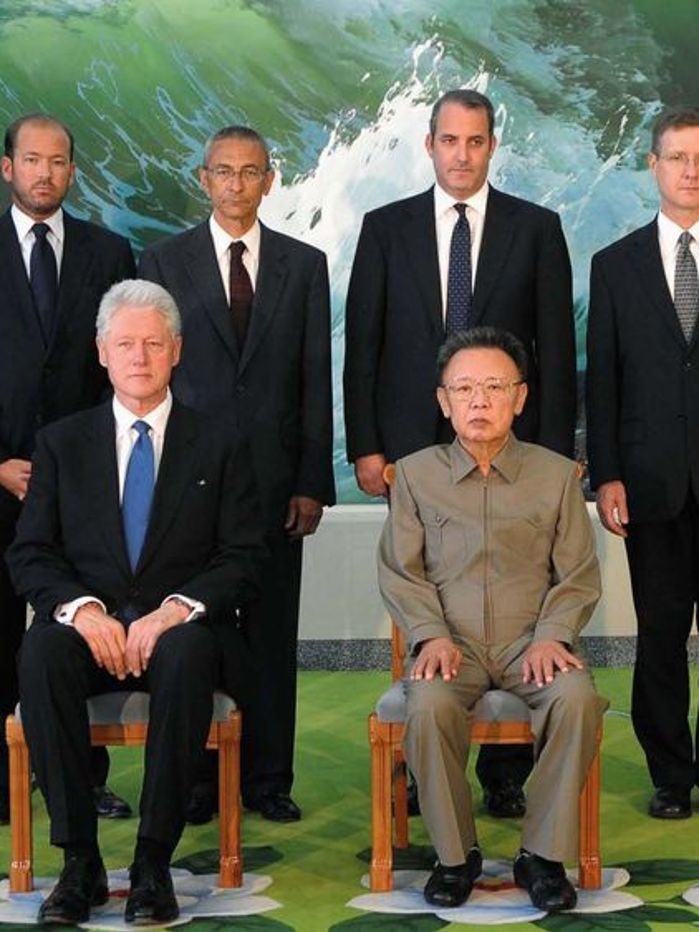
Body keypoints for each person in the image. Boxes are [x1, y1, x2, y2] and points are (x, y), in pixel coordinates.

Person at [344, 88, 577, 817]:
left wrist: (556, 457)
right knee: (425, 593)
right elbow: (364, 345)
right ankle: (424, 764)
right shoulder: (385, 228)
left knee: (514, 590)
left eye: (475, 142)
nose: (461, 154)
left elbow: (554, 349)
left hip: (510, 448)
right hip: (410, 449)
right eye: (449, 140)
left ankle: (505, 774)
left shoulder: (535, 228)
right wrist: (367, 446)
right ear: (429, 145)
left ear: (491, 147)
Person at [7, 279, 265, 925]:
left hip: (176, 633)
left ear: (176, 350)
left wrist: (175, 608)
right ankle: (79, 861)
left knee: (186, 655)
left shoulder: (220, 440)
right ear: (101, 351)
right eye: (126, 343)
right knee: (41, 651)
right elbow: (30, 552)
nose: (140, 357)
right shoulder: (64, 443)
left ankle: (153, 861)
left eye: (154, 343)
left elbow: (244, 555)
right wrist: (82, 610)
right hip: (90, 632)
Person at [138, 125, 334, 823]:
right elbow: (152, 375)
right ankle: (194, 780)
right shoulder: (162, 262)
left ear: (268, 180)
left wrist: (313, 481)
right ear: (203, 179)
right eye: (224, 172)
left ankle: (267, 781)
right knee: (193, 634)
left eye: (250, 172)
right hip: (190, 486)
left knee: (272, 634)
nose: (236, 185)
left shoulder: (304, 265)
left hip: (279, 483)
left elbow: (316, 379)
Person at [378, 326, 605, 912]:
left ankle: (543, 856)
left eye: (494, 387)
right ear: (443, 401)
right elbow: (402, 572)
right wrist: (429, 636)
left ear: (520, 398)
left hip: (532, 644)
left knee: (577, 698)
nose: (479, 401)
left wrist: (552, 636)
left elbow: (577, 574)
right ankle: (456, 857)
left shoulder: (556, 476)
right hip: (450, 646)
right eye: (465, 388)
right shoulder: (414, 476)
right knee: (426, 705)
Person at [0, 112, 136, 823]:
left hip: (85, 489)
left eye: (57, 162)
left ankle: (81, 779)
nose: (44, 173)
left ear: (71, 172)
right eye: (31, 160)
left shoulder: (108, 253)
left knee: (79, 632)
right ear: (8, 168)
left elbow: (122, 371)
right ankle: (4, 782)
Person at [586, 105, 699, 820]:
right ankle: (670, 775)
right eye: (678, 157)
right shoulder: (615, 264)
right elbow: (602, 379)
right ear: (651, 167)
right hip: (652, 482)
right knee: (659, 630)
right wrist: (607, 473)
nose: (692, 171)